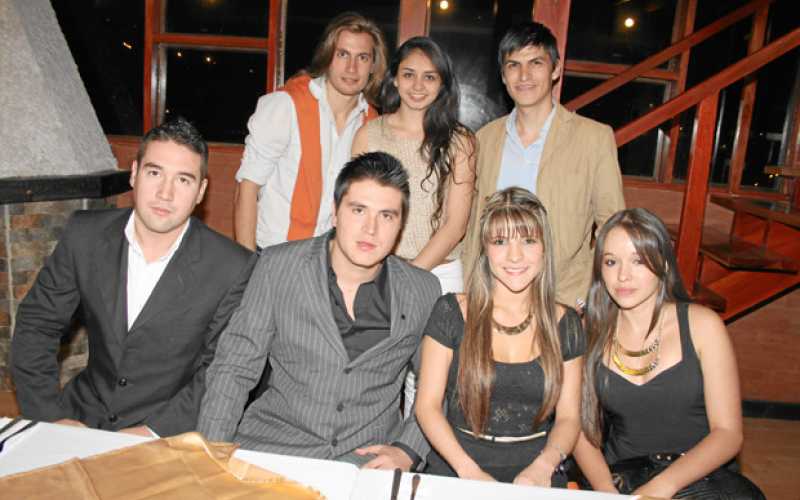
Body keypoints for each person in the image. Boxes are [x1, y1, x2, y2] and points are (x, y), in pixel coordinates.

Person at [11, 117, 255, 438]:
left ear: (201, 191)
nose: (165, 193)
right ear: (134, 174)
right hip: (80, 416)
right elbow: (36, 324)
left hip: (169, 431)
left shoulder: (232, 267)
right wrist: (50, 417)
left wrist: (152, 432)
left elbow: (222, 369)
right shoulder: (85, 235)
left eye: (183, 180)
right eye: (154, 173)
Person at [198, 152, 441, 471]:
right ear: (336, 213)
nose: (371, 229)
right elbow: (234, 368)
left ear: (400, 225)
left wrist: (408, 450)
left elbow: (441, 387)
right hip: (275, 450)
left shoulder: (422, 290)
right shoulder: (278, 267)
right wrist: (210, 456)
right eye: (358, 210)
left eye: (386, 216)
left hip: (369, 462)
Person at [573, 208, 764, 499]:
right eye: (611, 262)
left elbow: (728, 433)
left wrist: (661, 488)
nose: (623, 275)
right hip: (621, 476)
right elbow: (578, 430)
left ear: (662, 262)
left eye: (638, 260)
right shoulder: (588, 330)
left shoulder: (702, 326)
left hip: (699, 478)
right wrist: (606, 491)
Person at [415, 187, 584, 486]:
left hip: (539, 470)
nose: (515, 256)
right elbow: (427, 407)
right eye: (500, 241)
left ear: (544, 248)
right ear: (485, 249)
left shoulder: (566, 323)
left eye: (528, 240)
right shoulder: (450, 312)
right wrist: (469, 472)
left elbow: (569, 418)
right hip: (458, 466)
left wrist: (544, 466)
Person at [351, 35, 476, 416]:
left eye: (429, 77)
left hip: (440, 275)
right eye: (408, 74)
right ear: (394, 78)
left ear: (443, 84)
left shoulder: (459, 142)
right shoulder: (370, 134)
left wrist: (410, 276)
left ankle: (414, 450)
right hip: (378, 271)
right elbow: (355, 211)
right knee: (375, 374)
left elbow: (455, 224)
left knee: (430, 381)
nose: (418, 86)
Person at [463, 22, 625, 310]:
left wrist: (585, 293)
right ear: (503, 75)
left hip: (562, 298)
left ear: (555, 69)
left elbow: (612, 225)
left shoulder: (594, 138)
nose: (524, 75)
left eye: (535, 63)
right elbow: (473, 223)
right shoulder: (484, 140)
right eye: (513, 65)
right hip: (491, 296)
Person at [234, 12, 387, 252]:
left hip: (330, 258)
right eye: (342, 54)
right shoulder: (286, 105)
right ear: (328, 57)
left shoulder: (372, 123)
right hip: (273, 252)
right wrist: (246, 263)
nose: (352, 67)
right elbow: (247, 187)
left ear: (373, 66)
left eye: (363, 57)